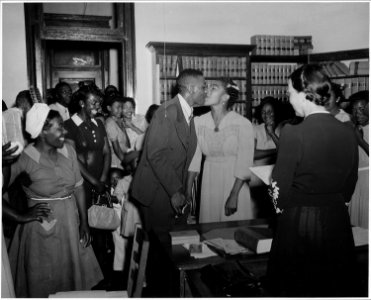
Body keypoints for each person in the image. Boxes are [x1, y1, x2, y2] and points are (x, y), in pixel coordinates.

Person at [266, 64, 359, 297]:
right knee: (331, 284)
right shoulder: (348, 130)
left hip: (299, 220)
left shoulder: (293, 132)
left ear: (304, 94)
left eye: (289, 93)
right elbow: (351, 178)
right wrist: (340, 205)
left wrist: (282, 213)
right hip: (337, 219)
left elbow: (278, 182)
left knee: (298, 285)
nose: (289, 100)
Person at [3, 104, 103, 297]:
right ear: (42, 132)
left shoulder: (68, 151)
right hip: (41, 231)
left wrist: (84, 222)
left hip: (70, 224)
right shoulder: (24, 158)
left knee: (72, 284)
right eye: (59, 127)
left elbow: (79, 187)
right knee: (44, 283)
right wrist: (19, 216)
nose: (64, 131)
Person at [131, 69, 206, 296]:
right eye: (202, 87)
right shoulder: (167, 112)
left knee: (171, 250)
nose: (205, 91)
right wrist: (176, 191)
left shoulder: (187, 112)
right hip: (156, 193)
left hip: (170, 190)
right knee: (160, 253)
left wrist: (182, 192)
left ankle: (170, 290)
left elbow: (181, 158)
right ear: (191, 89)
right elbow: (156, 154)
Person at [187, 78, 254, 223]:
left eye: (214, 88)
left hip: (235, 184)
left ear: (225, 97)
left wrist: (234, 195)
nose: (207, 91)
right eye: (207, 87)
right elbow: (194, 161)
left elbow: (245, 163)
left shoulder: (242, 124)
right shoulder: (198, 122)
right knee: (210, 233)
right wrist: (187, 194)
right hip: (209, 183)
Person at [64, 84, 112, 284]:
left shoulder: (98, 124)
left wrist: (102, 179)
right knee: (85, 231)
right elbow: (73, 158)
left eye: (99, 102)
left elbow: (107, 152)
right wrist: (93, 181)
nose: (98, 106)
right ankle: (87, 281)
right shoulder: (69, 125)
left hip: (100, 184)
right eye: (94, 102)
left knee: (102, 231)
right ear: (82, 103)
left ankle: (104, 280)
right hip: (81, 186)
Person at [250, 97, 281, 219]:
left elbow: (286, 153)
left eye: (270, 111)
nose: (266, 115)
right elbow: (253, 154)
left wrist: (272, 132)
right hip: (256, 179)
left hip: (275, 179)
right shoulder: (255, 129)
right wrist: (276, 151)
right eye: (263, 112)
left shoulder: (283, 129)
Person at [348, 90, 369, 229]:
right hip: (357, 181)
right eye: (354, 110)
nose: (357, 113)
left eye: (361, 109)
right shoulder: (355, 128)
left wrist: (360, 140)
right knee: (356, 227)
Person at [104, 95, 137, 171]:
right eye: (117, 107)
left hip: (122, 159)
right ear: (109, 108)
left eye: (121, 107)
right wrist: (127, 164)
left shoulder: (119, 121)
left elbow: (127, 145)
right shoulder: (110, 123)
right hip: (116, 162)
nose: (120, 110)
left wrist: (123, 128)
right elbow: (117, 150)